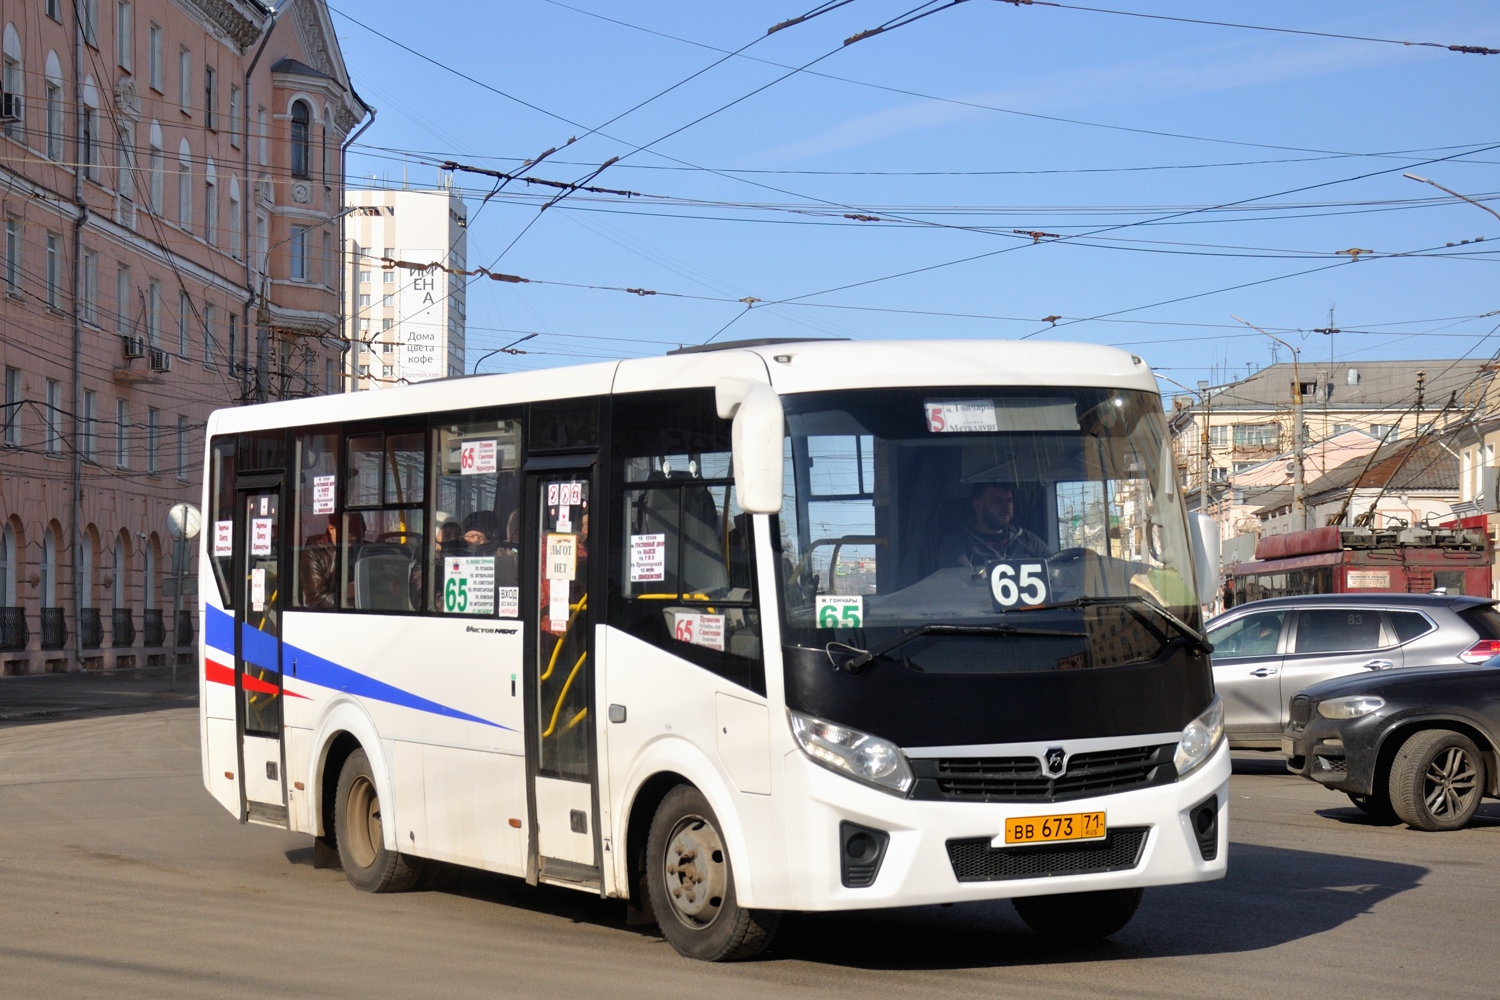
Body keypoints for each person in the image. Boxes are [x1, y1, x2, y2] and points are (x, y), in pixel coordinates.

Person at [938, 482, 1053, 572]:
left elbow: (1056, 567)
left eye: (1009, 500)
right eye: (998, 501)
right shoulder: (957, 545)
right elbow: (962, 586)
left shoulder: (1029, 540)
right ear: (978, 506)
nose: (1007, 506)